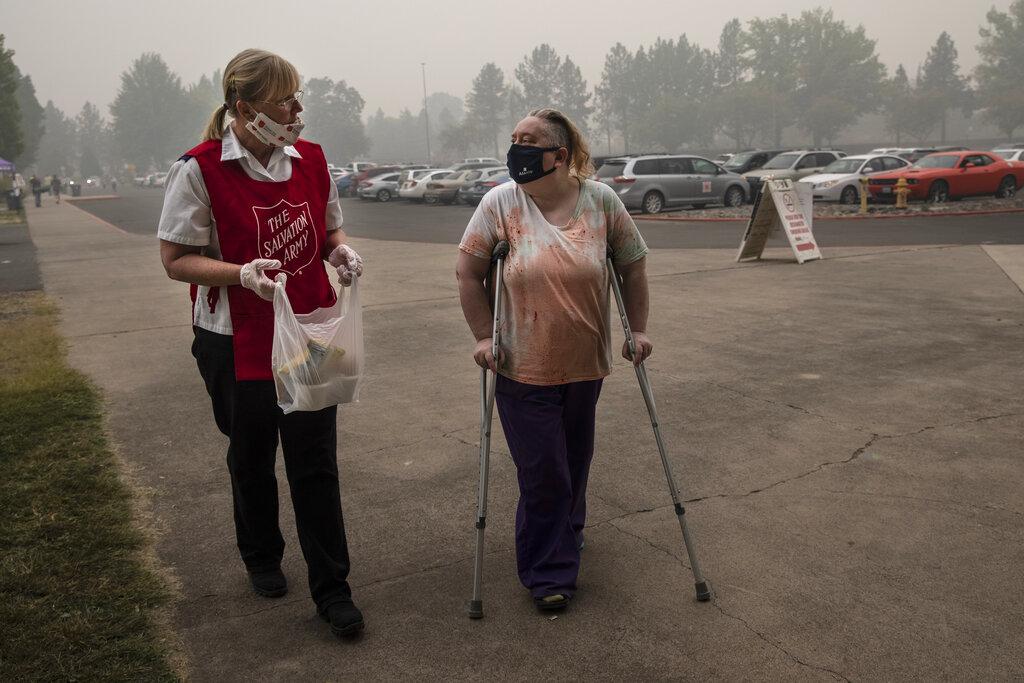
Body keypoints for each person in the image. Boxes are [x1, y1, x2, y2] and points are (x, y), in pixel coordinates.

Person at [157, 49, 366, 638]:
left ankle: (332, 589)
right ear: (245, 108)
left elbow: (328, 228)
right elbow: (175, 262)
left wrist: (338, 252)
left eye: (298, 97)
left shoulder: (313, 160)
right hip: (234, 338)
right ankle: (262, 554)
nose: (297, 110)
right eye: (284, 99)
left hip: (308, 332)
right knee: (251, 457)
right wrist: (239, 273)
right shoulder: (199, 169)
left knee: (315, 462)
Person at [456, 108, 652, 611]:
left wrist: (640, 329)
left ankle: (568, 529)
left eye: (530, 140)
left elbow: (632, 265)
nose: (517, 147)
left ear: (560, 155)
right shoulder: (500, 203)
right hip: (520, 363)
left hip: (586, 361)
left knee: (574, 460)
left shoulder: (601, 201)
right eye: (514, 138)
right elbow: (468, 273)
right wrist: (483, 335)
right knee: (544, 471)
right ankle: (550, 573)